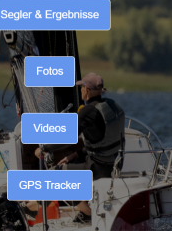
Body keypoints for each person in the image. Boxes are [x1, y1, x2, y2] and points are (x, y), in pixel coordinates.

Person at [27, 72, 126, 224]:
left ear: (87, 90)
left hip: (97, 168)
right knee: (72, 163)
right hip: (114, 165)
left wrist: (45, 148)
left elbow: (67, 137)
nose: (80, 90)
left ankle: (89, 213)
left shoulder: (87, 111)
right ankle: (86, 210)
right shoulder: (111, 106)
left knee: (54, 175)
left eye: (81, 87)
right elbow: (102, 143)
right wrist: (75, 154)